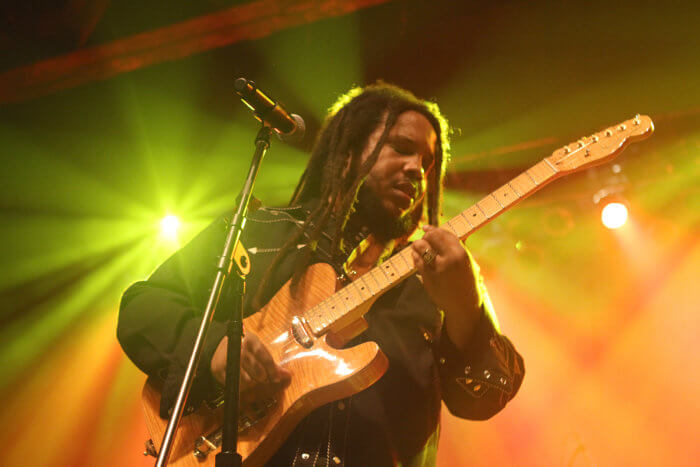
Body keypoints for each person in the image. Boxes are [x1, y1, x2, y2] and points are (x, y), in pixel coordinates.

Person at [117, 82, 524, 466]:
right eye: (401, 149)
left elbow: (485, 399)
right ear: (348, 151)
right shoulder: (259, 232)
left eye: (428, 162)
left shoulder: (434, 280)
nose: (418, 169)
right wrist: (213, 348)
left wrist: (466, 309)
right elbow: (143, 308)